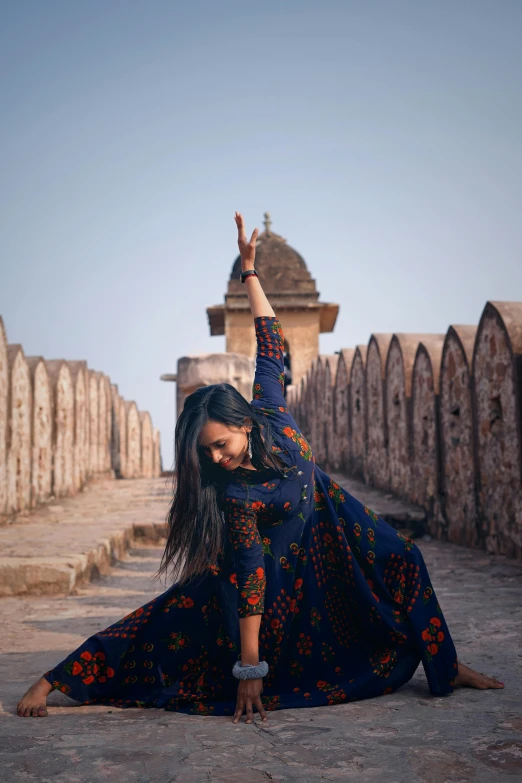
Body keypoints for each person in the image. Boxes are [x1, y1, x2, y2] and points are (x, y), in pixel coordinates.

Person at [18, 213, 503, 723]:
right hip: (286, 571)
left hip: (338, 524)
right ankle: (53, 679)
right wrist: (249, 669)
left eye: (220, 444)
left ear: (243, 424)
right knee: (168, 621)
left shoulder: (270, 408)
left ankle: (446, 666)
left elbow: (269, 341)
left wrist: (250, 272)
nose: (215, 459)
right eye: (205, 454)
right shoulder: (235, 495)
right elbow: (250, 575)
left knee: (406, 559)